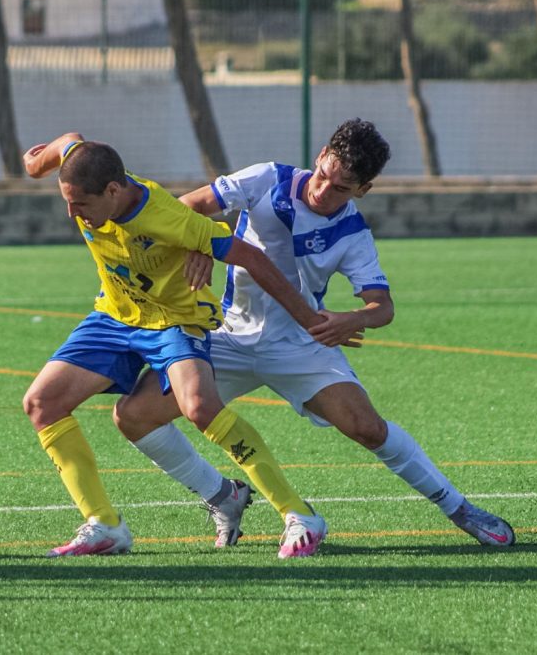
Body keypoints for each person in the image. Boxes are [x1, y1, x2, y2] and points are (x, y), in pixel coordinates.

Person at [113, 118, 515, 548]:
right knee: (133, 416)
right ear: (321, 154)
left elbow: (383, 307)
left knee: (368, 428)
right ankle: (221, 495)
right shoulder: (266, 177)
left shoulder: (353, 233)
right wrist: (200, 244)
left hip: (302, 344)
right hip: (225, 336)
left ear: (363, 190)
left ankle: (459, 508)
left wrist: (353, 319)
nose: (324, 191)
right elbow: (182, 207)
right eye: (324, 175)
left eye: (341, 188)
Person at [21, 132, 339, 558]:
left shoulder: (169, 219)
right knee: (42, 402)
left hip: (175, 320)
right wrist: (35, 165)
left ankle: (299, 514)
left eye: (80, 204)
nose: (71, 212)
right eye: (67, 199)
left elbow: (252, 257)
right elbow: (69, 143)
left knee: (200, 406)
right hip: (116, 314)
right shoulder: (85, 165)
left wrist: (309, 321)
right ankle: (105, 525)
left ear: (113, 191)